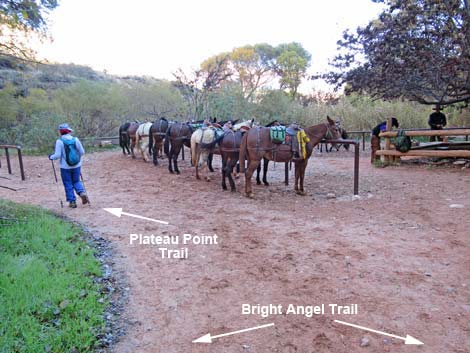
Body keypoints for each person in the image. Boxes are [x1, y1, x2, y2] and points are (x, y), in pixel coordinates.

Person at [49, 123, 89, 208]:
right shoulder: (76, 139)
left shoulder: (59, 141)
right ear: (69, 131)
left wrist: (51, 157)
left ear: (60, 132)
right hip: (77, 165)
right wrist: (77, 159)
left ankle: (72, 202)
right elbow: (82, 152)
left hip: (65, 167)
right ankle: (81, 192)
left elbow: (57, 155)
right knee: (77, 181)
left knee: (68, 183)